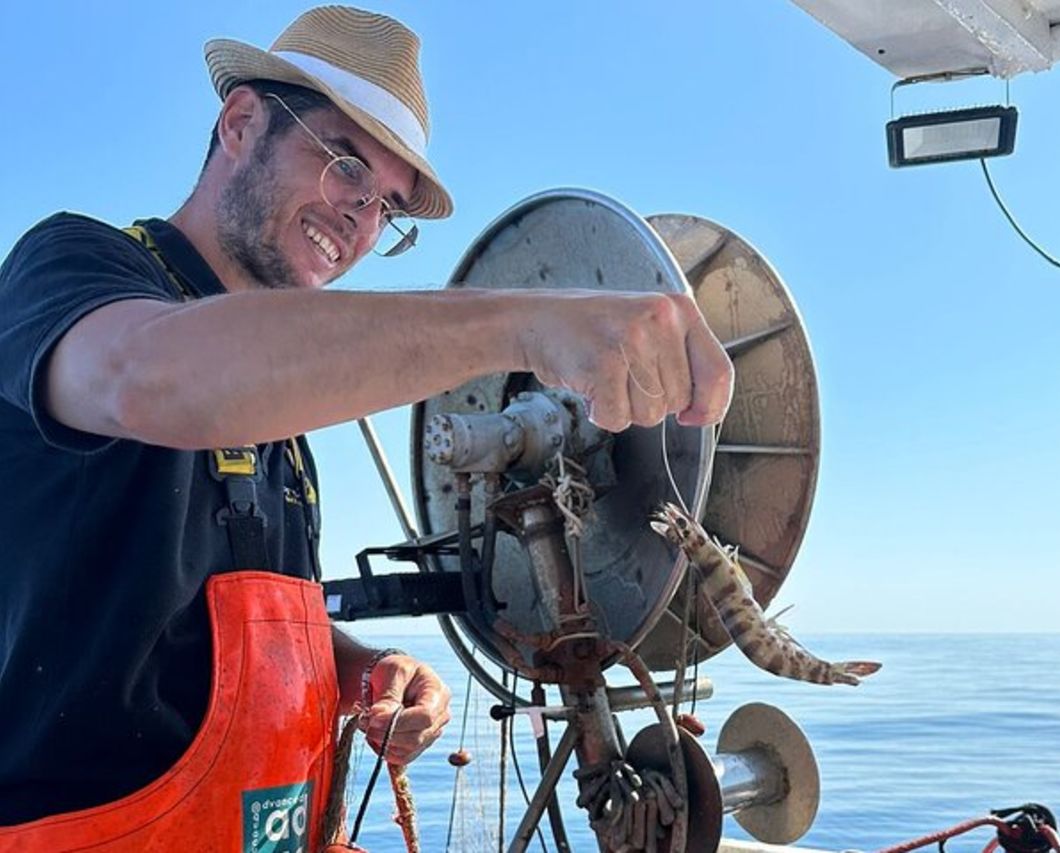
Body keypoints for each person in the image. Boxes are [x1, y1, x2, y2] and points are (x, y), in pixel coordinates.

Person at [0, 6, 733, 849]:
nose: (360, 217)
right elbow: (142, 377)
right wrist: (524, 324)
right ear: (240, 123)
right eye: (346, 163)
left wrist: (355, 668)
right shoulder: (75, 267)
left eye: (387, 205)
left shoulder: (283, 420)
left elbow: (198, 620)